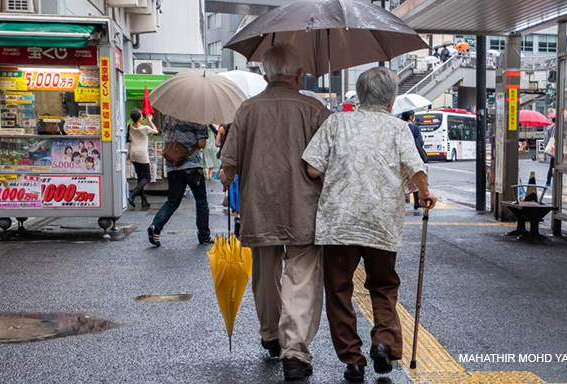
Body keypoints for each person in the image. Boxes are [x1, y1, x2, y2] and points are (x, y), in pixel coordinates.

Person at [302, 67, 436, 383]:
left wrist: (339, 177)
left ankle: (353, 360)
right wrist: (426, 194)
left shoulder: (336, 122)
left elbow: (310, 169)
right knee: (384, 285)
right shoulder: (399, 129)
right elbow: (415, 167)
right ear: (391, 101)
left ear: (360, 97)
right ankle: (384, 343)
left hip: (339, 221)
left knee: (338, 290)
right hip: (382, 221)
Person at [219, 43, 332, 381]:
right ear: (299, 74)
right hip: (305, 207)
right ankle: (294, 352)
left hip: (259, 205)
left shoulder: (247, 109)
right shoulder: (315, 109)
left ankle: (270, 335)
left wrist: (228, 177)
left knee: (265, 275)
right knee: (302, 279)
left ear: (266, 75)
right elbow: (330, 160)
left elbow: (229, 164)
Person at [147, 117, 211, 247]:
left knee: (172, 201)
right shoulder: (197, 117)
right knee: (201, 201)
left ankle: (156, 226)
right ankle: (204, 236)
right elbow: (202, 144)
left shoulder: (169, 119)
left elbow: (167, 137)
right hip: (192, 166)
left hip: (173, 166)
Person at [127, 108, 158, 208]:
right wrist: (150, 121)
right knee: (147, 177)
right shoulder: (144, 128)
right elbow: (156, 131)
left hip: (133, 153)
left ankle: (144, 201)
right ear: (140, 118)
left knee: (140, 177)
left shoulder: (129, 126)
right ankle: (132, 194)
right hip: (142, 155)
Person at [401, 110, 428, 210]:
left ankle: (402, 202)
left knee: (402, 180)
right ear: (411, 117)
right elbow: (420, 142)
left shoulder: (399, 126)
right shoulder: (415, 128)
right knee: (415, 178)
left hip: (401, 157)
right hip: (413, 156)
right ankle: (417, 202)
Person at [545, 118, 555, 187]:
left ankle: (548, 182)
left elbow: (547, 138)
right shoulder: (555, 129)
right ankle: (548, 182)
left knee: (551, 167)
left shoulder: (550, 129)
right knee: (552, 167)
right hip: (556, 151)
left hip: (552, 150)